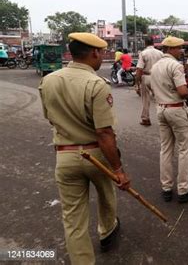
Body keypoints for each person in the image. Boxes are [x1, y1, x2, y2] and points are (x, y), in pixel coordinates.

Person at [38, 33, 131, 264]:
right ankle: (107, 232)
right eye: (101, 52)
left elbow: (51, 119)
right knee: (106, 195)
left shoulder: (49, 80)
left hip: (65, 155)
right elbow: (104, 132)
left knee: (73, 218)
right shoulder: (96, 84)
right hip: (95, 156)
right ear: (94, 53)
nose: (101, 56)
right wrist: (118, 169)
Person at [150, 36, 188, 203]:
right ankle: (183, 189)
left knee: (165, 149)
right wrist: (187, 94)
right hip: (176, 109)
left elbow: (151, 87)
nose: (182, 51)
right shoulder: (175, 65)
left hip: (161, 109)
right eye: (179, 48)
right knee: (184, 149)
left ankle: (166, 188)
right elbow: (183, 91)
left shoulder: (156, 66)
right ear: (171, 49)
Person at [136, 37, 164, 126]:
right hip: (157, 77)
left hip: (146, 76)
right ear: (153, 43)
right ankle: (163, 119)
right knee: (159, 99)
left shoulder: (143, 53)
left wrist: (137, 82)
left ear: (145, 43)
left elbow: (139, 69)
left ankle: (145, 119)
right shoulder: (160, 53)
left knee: (145, 99)